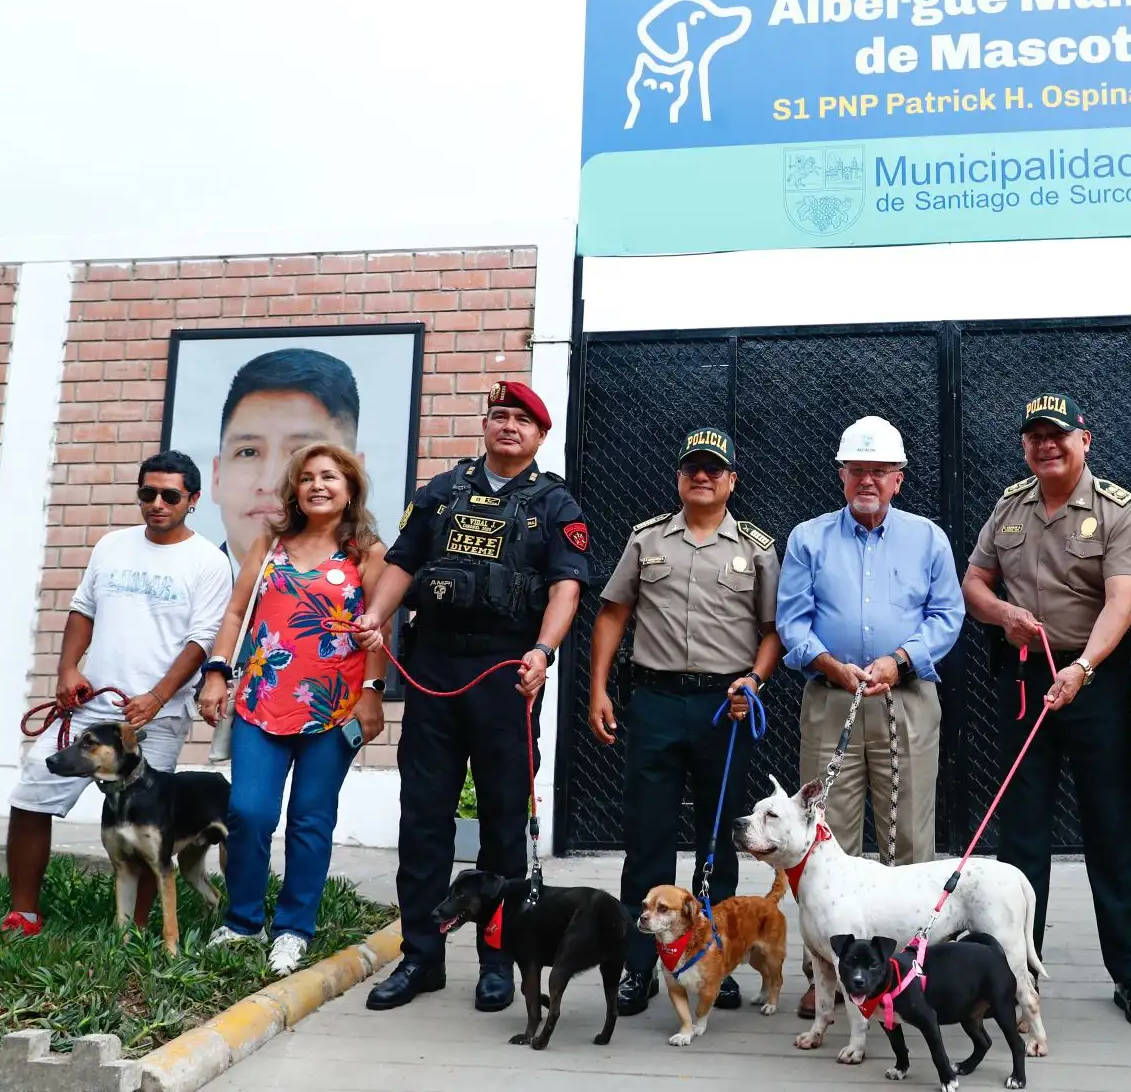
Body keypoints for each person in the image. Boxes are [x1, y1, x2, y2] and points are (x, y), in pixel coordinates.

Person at [350, 381, 591, 1013]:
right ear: (486, 425)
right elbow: (401, 562)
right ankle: (421, 958)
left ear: (540, 436)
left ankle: (496, 963)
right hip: (434, 674)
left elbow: (567, 587)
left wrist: (542, 651)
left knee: (503, 830)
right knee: (424, 821)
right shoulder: (441, 492)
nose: (508, 426)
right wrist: (376, 615)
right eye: (499, 416)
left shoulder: (556, 504)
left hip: (507, 676)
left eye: (522, 420)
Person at [962, 392, 1131, 1033]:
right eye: (1035, 437)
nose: (1046, 445)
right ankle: (1015, 976)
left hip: (1093, 680)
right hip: (1025, 679)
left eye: (1057, 435)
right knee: (1021, 834)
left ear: (1084, 440)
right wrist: (1002, 615)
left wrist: (1082, 668)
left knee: (1109, 830)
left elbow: (1123, 603)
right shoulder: (1009, 506)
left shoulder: (1117, 510)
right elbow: (975, 584)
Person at [587, 427, 784, 1017]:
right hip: (656, 701)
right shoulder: (647, 541)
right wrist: (597, 688)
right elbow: (613, 611)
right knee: (647, 837)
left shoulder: (757, 548)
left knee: (717, 842)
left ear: (731, 481)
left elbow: (772, 630)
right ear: (680, 478)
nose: (702, 476)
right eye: (692, 468)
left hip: (725, 707)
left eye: (714, 469)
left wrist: (755, 679)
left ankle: (713, 962)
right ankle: (638, 966)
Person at [777, 414, 965, 1019]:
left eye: (880, 471)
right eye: (858, 469)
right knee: (824, 839)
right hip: (832, 697)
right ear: (841, 474)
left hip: (904, 696)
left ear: (898, 479)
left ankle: (907, 970)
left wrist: (901, 659)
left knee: (909, 835)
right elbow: (792, 621)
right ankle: (826, 975)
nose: (868, 480)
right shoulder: (808, 538)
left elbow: (947, 615)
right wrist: (830, 665)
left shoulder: (928, 539)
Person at [0, 451, 231, 942]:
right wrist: (67, 669)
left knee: (152, 827)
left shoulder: (209, 561)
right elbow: (82, 611)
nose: (157, 504)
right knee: (31, 797)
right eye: (147, 493)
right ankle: (23, 916)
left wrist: (157, 696)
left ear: (193, 499)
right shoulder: (112, 545)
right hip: (87, 712)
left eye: (170, 495)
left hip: (156, 717)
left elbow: (201, 640)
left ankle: (139, 928)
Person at [197, 442, 389, 975]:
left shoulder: (367, 554)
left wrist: (373, 691)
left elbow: (380, 626)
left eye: (330, 476)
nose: (317, 485)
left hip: (335, 707)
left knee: (311, 820)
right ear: (295, 491)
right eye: (307, 478)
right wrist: (217, 670)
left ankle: (293, 929)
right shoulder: (270, 544)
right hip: (263, 699)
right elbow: (236, 613)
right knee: (249, 812)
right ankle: (242, 922)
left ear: (350, 489)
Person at [210, 348, 362, 575]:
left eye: (303, 453)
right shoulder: (192, 575)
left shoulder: (373, 567)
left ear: (352, 476)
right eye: (248, 452)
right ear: (216, 477)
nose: (270, 484)